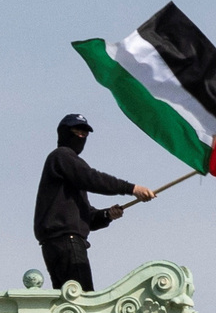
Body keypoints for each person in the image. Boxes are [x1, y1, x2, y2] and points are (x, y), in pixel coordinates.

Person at [33, 113, 156, 291]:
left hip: (58, 243)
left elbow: (86, 216)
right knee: (83, 299)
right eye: (77, 131)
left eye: (85, 134)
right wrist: (131, 188)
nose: (81, 137)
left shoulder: (67, 175)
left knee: (69, 304)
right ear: (65, 133)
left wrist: (107, 215)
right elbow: (91, 178)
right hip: (67, 241)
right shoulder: (62, 156)